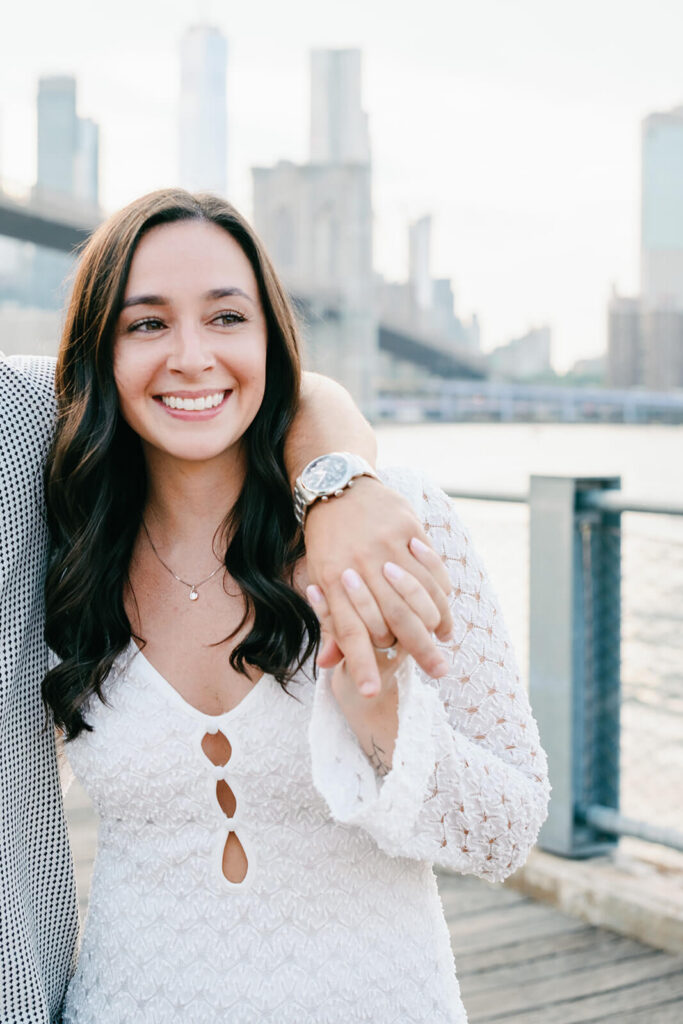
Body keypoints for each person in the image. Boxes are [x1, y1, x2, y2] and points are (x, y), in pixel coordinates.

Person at [40, 188, 549, 1023]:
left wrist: (381, 726)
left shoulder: (397, 521)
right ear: (101, 351)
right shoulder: (60, 550)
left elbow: (506, 832)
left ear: (273, 341)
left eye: (226, 317)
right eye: (147, 324)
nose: (192, 356)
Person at [0, 257, 453, 1022]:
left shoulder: (16, 418)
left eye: (224, 316)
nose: (190, 346)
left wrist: (337, 482)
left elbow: (219, 380)